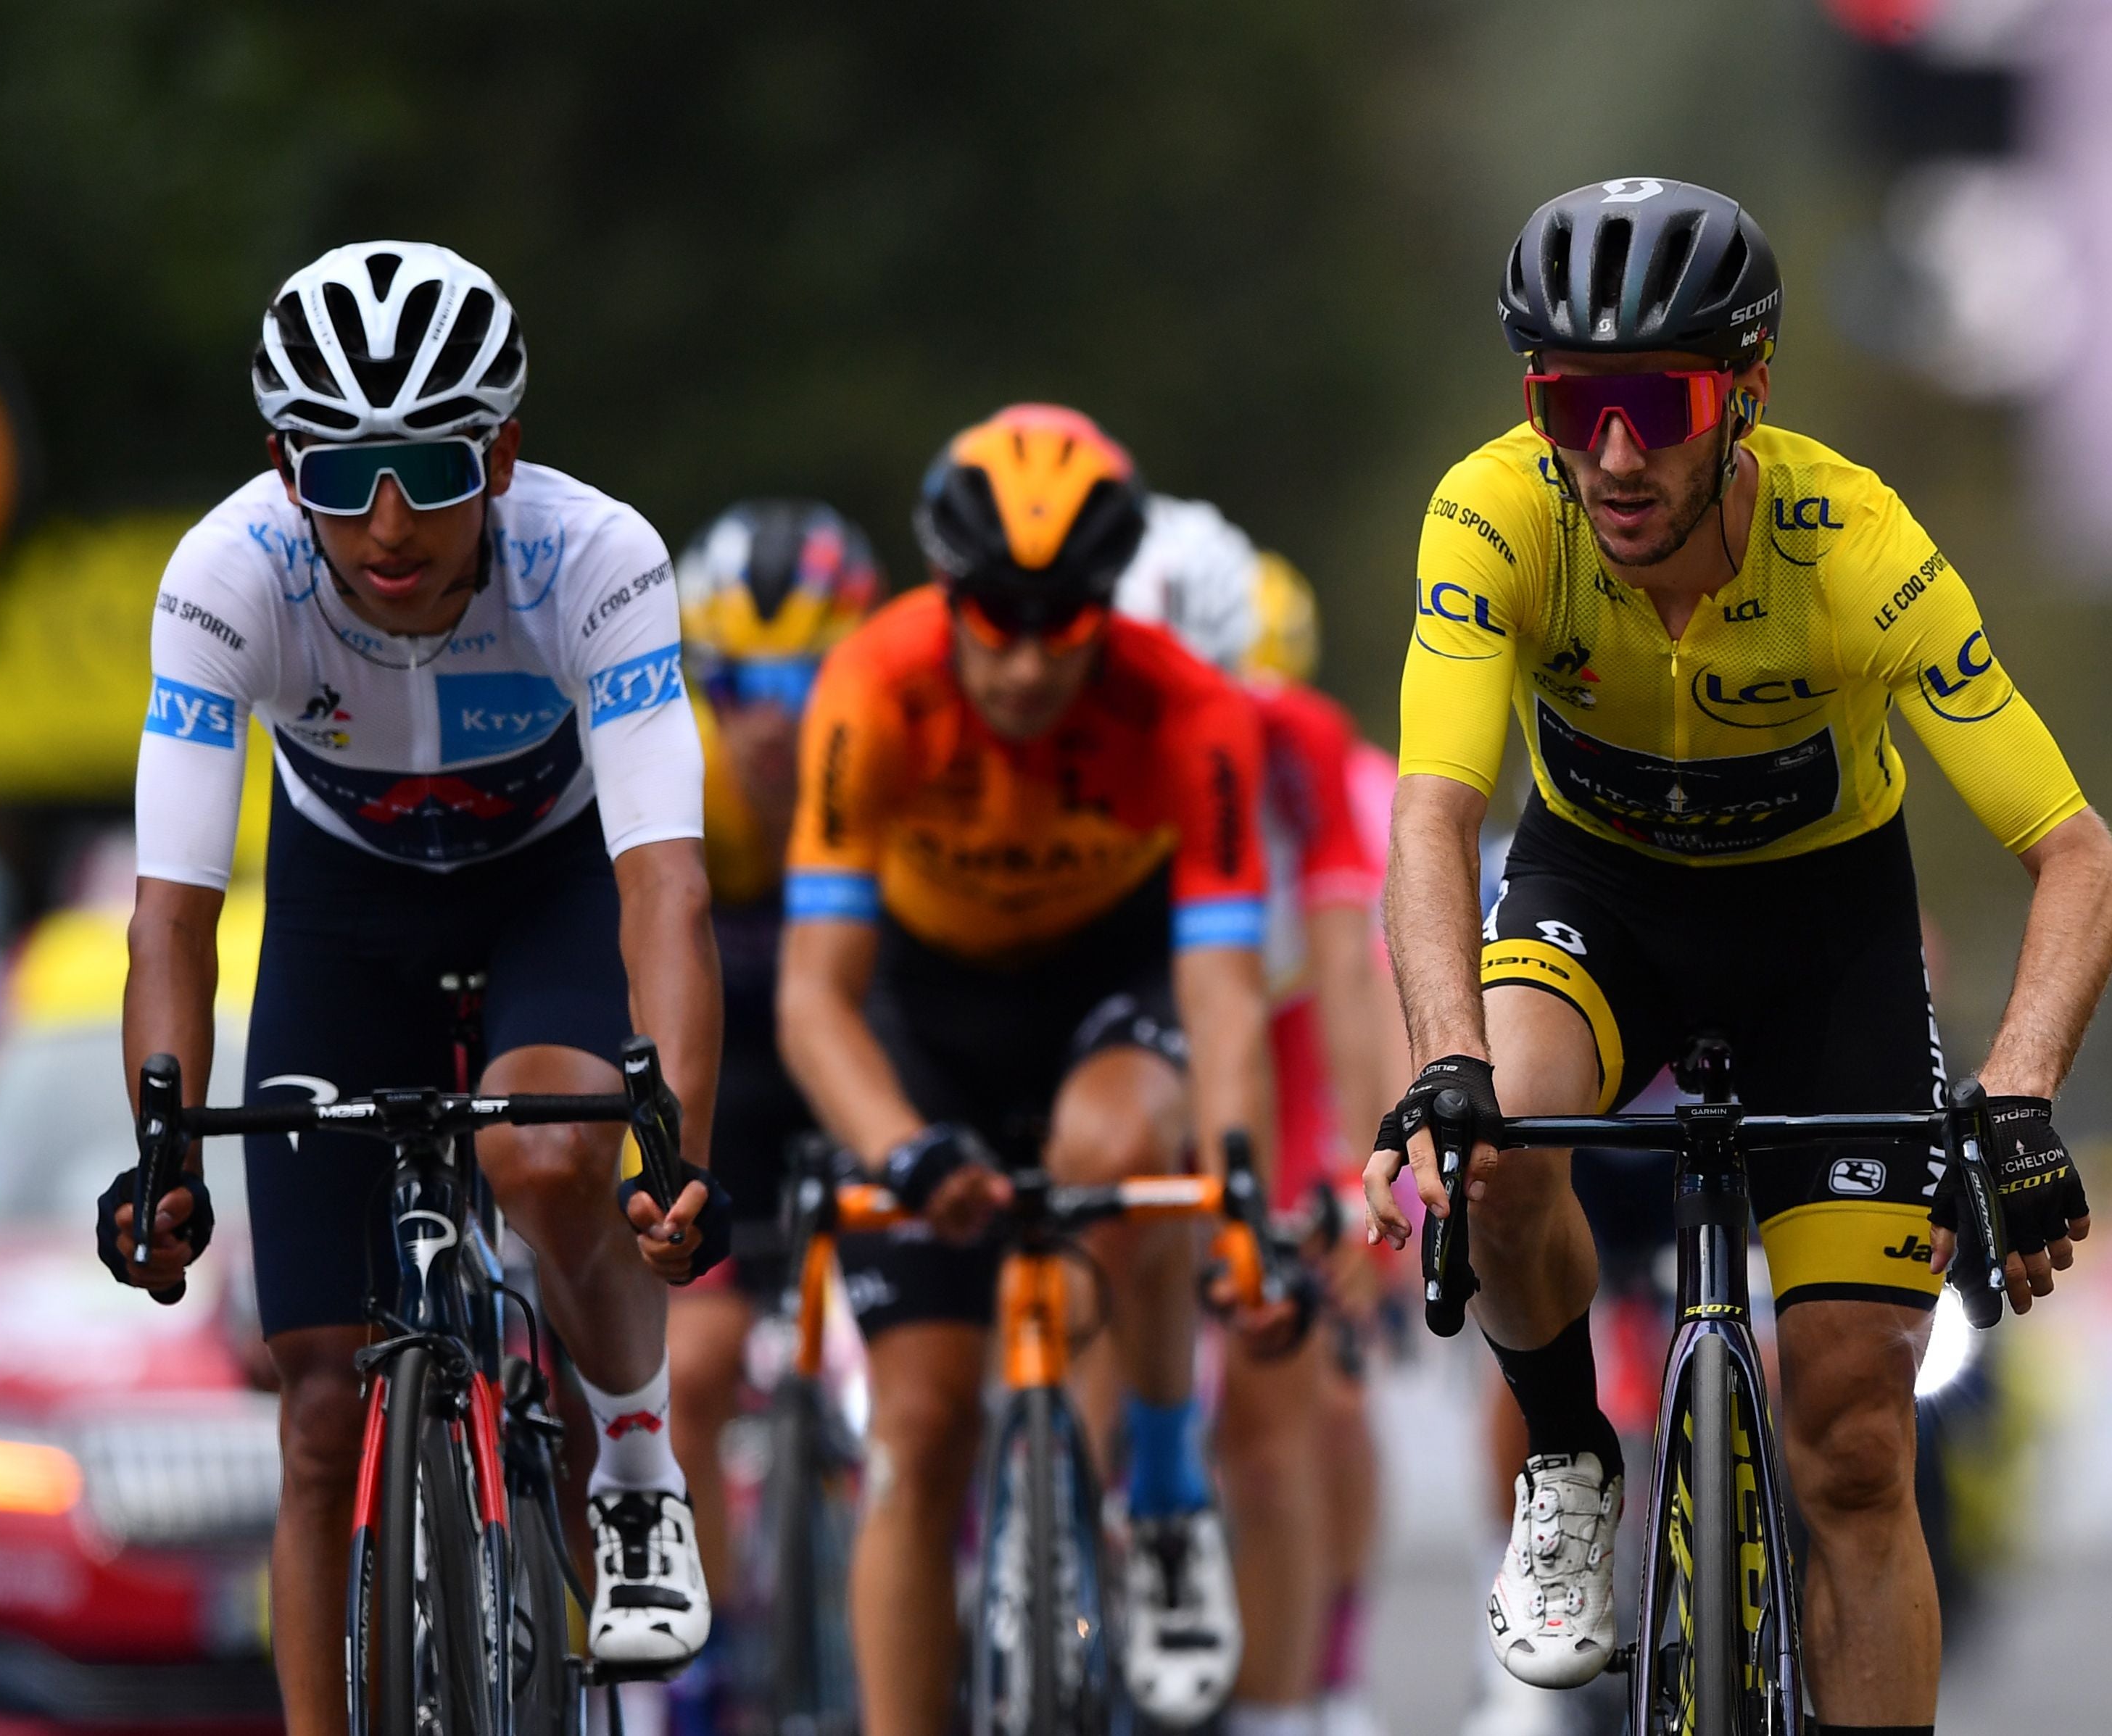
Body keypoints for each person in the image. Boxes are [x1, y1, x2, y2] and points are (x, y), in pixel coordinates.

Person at [1361, 180, 2112, 1734]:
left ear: (1745, 395)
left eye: (1657, 402)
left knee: (1851, 1444)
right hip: (1602, 900)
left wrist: (2019, 1090)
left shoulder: (1852, 544)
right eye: (1573, 406)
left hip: (1817, 934)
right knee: (1502, 1140)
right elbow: (1432, 819)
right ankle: (1569, 1455)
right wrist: (1441, 1060)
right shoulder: (1494, 511)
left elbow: (2077, 858)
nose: (1614, 454)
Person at [109, 241, 730, 1732]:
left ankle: (634, 1463)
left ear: (501, 454)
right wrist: (160, 1148)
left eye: (434, 469)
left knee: (547, 1150)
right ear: (283, 465)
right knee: (319, 1406)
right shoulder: (222, 578)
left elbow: (666, 885)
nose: (388, 525)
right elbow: (170, 920)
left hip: (550, 879)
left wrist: (676, 1143)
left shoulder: (597, 558)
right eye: (342, 475)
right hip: (345, 906)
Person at [776, 404, 1298, 1736]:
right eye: (991, 619)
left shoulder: (1190, 707)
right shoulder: (873, 685)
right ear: (946, 595)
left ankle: (1170, 1491)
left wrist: (1239, 1207)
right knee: (924, 1427)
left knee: (1119, 1150)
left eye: (1061, 622)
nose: (1020, 661)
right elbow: (814, 1001)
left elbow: (1224, 996)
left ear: (1107, 607)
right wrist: (904, 1151)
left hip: (1100, 986)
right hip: (922, 1012)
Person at [1118, 504, 1409, 1736]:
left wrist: (1364, 1172)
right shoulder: (1072, 738)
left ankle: (1292, 1701)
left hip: (1277, 1043)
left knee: (1282, 1398)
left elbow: (1353, 983)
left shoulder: (1307, 749)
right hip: (1134, 1037)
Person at [655, 498, 879, 1722]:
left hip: (853, 1061)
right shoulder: (676, 769)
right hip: (728, 1076)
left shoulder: (893, 755)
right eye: (735, 681)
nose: (771, 723)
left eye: (808, 683)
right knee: (694, 1359)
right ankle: (700, 1649)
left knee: (907, 1356)